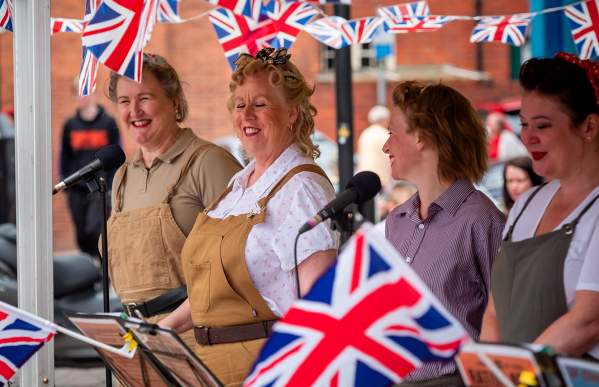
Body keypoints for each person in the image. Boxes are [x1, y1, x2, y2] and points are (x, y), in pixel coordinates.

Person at [160, 48, 338, 385]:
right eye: (240, 105)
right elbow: (207, 296)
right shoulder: (237, 186)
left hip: (266, 368)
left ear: (292, 114)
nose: (247, 115)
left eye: (260, 104)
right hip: (207, 367)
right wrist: (159, 331)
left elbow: (318, 303)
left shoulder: (303, 188)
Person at [106, 53, 241, 347]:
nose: (134, 110)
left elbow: (240, 263)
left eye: (145, 97)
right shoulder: (122, 178)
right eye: (124, 101)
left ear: (174, 101)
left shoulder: (209, 163)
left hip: (194, 340)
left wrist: (165, 328)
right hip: (135, 338)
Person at [383, 81, 505, 385]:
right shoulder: (396, 220)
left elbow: (505, 319)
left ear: (422, 137)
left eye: (392, 134)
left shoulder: (482, 220)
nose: (386, 146)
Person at [480, 53, 599, 360]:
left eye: (543, 125)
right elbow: (495, 311)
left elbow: (588, 320)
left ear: (589, 126)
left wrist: (517, 372)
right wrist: (492, 372)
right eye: (523, 124)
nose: (528, 137)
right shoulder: (526, 204)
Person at [60, 80, 120, 257]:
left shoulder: (108, 123)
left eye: (85, 91)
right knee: (82, 234)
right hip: (77, 189)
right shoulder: (70, 125)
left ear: (93, 93)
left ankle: (101, 271)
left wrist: (111, 186)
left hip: (101, 188)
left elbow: (116, 154)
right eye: (78, 92)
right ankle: (89, 272)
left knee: (96, 230)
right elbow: (65, 156)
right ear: (74, 95)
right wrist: (66, 182)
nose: (82, 96)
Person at [357, 105, 392, 188]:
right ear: (384, 119)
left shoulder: (365, 133)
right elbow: (389, 157)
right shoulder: (384, 134)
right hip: (380, 179)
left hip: (364, 176)